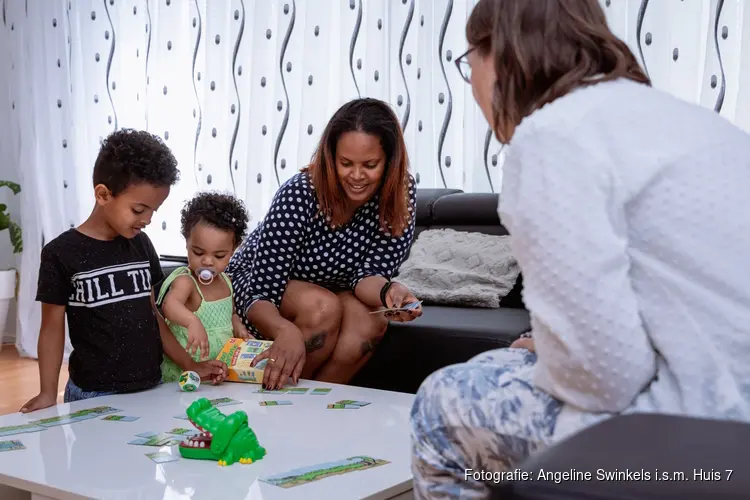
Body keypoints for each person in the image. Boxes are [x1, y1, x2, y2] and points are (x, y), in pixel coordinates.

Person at [410, 0, 750, 497]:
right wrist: (554, 351)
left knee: (443, 404)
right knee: (493, 367)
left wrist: (558, 357)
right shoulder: (689, 122)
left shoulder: (553, 134)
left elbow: (605, 377)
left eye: (469, 63)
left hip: (713, 431)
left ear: (500, 56)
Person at [21, 129, 227, 412]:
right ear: (103, 194)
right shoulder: (61, 253)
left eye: (154, 210)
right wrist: (47, 392)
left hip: (150, 388)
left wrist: (190, 364)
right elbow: (52, 328)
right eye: (139, 209)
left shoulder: (141, 245)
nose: (148, 220)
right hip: (92, 394)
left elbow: (154, 315)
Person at [227, 98, 422, 390]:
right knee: (322, 308)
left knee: (371, 321)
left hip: (334, 290)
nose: (356, 176)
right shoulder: (300, 193)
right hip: (259, 287)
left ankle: (312, 406)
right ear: (331, 157)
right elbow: (261, 292)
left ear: (390, 161)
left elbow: (367, 275)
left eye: (370, 165)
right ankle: (275, 403)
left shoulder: (399, 192)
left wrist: (389, 291)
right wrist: (285, 330)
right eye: (345, 163)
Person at [156, 192, 251, 382]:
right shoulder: (186, 281)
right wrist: (192, 321)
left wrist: (237, 324)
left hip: (214, 370)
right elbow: (170, 305)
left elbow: (230, 312)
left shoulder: (226, 281)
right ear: (187, 242)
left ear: (234, 250)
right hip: (182, 373)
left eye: (219, 256)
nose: (207, 261)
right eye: (198, 252)